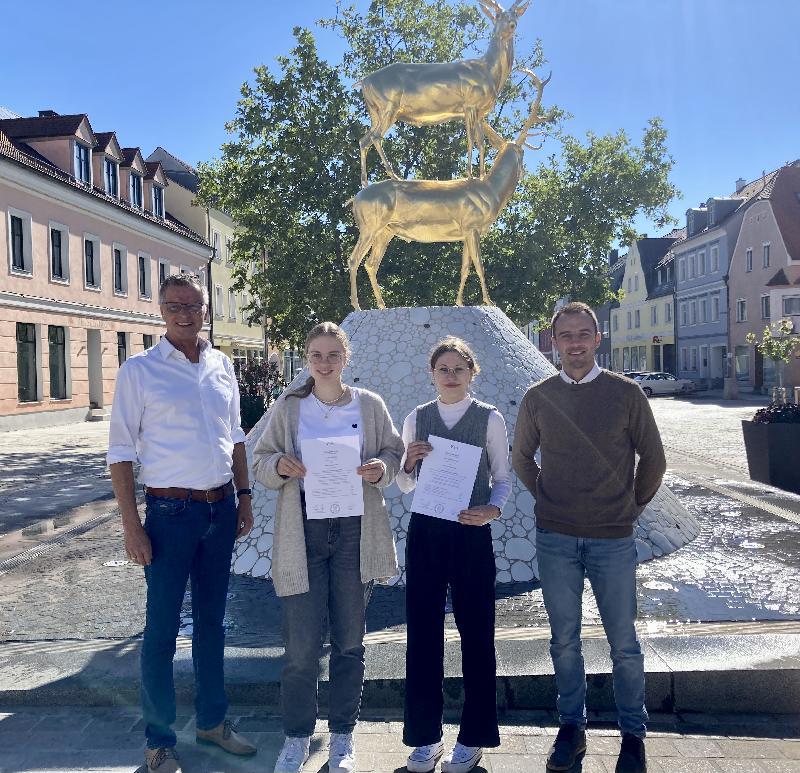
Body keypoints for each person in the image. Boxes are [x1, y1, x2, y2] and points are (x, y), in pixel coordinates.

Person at [107, 274, 256, 773]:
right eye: (175, 306)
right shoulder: (140, 370)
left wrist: (246, 496)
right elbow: (121, 453)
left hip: (221, 508)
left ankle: (213, 722)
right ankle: (159, 740)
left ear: (206, 308)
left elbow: (234, 436)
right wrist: (132, 525)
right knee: (162, 630)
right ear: (161, 309)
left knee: (212, 624)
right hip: (169, 515)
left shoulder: (221, 364)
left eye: (194, 305)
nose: (185, 314)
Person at [512, 301, 666, 773]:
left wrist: (628, 508)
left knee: (624, 642)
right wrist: (548, 499)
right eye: (566, 336)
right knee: (564, 640)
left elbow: (653, 460)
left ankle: (633, 738)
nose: (575, 343)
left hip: (613, 540)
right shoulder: (538, 397)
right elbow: (521, 458)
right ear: (553, 343)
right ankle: (571, 729)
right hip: (556, 538)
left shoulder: (626, 394)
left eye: (584, 334)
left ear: (597, 340)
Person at [251, 322, 404, 773]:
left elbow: (394, 454)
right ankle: (297, 737)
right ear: (306, 358)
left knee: (350, 643)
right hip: (305, 535)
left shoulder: (369, 405)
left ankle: (341, 737)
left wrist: (381, 468)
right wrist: (279, 463)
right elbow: (261, 462)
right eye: (316, 354)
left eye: (332, 354)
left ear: (345, 358)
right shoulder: (289, 406)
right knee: (300, 647)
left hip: (355, 532)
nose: (324, 362)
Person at [397, 336, 511, 773]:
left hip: (470, 533)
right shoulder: (417, 418)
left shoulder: (489, 419)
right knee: (423, 637)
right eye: (442, 368)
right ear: (432, 373)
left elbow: (502, 477)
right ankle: (425, 738)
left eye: (458, 368)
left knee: (478, 636)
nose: (450, 375)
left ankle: (474, 737)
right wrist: (408, 463)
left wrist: (493, 509)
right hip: (426, 533)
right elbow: (406, 486)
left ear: (471, 373)